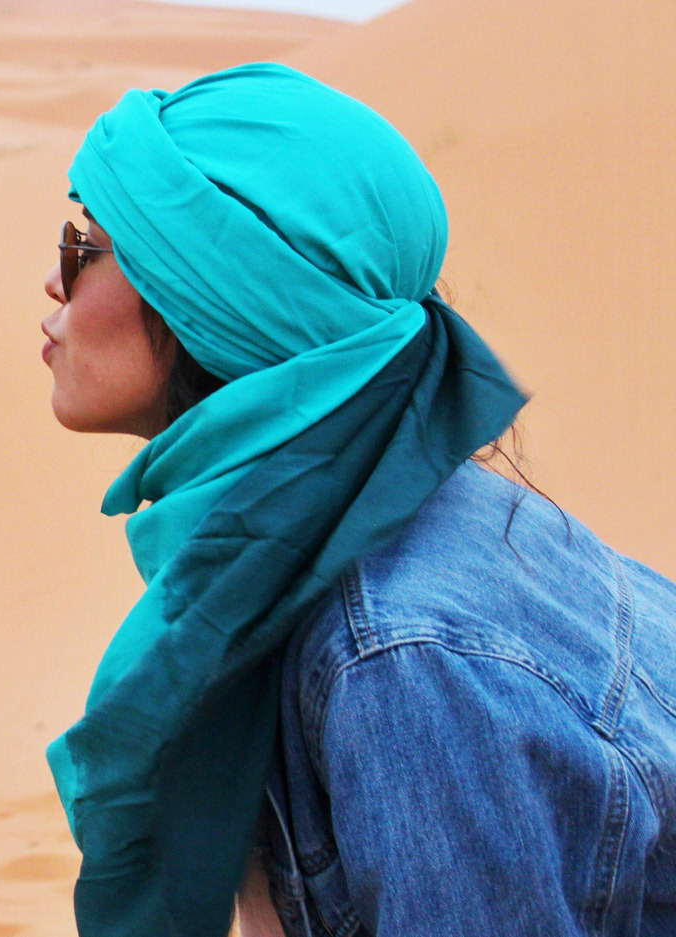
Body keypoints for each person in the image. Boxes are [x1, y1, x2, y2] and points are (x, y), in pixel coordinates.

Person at [38, 62, 676, 937]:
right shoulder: (336, 537)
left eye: (85, 249)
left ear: (218, 297)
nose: (52, 282)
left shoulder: (405, 661)